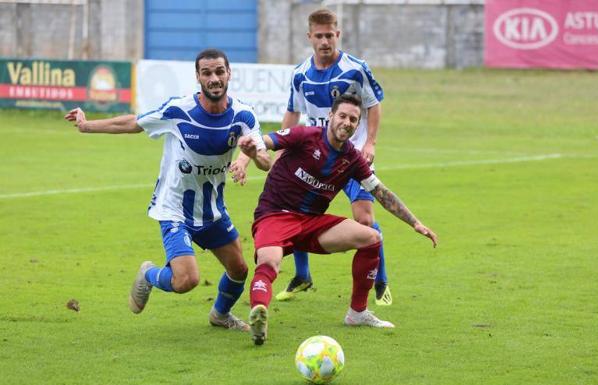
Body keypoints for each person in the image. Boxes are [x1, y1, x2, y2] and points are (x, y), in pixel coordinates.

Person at [64, 48, 271, 331]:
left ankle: (220, 315)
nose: (214, 78)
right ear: (198, 76)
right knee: (187, 280)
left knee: (239, 270)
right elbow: (133, 123)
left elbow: (265, 161)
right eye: (207, 73)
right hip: (174, 208)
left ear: (229, 74)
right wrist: (86, 126)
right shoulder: (179, 110)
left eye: (219, 72)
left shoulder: (243, 115)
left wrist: (251, 155)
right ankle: (149, 274)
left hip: (211, 210)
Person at [238, 94, 438, 346]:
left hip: (312, 223)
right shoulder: (305, 135)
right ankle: (259, 315)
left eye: (354, 119)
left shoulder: (352, 158)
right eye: (342, 116)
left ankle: (357, 313)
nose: (347, 122)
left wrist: (415, 223)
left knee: (371, 238)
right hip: (275, 215)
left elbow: (381, 193)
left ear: (357, 125)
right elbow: (264, 141)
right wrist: (247, 155)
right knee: (270, 262)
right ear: (331, 116)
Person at [276, 8, 392, 306]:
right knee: (294, 213)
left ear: (337, 34)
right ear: (310, 37)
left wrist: (370, 142)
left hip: (351, 158)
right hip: (315, 158)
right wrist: (282, 148)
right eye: (319, 36)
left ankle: (380, 281)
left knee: (364, 220)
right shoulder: (300, 74)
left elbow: (373, 104)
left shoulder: (355, 68)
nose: (325, 41)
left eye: (330, 35)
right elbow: (293, 111)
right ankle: (303, 276)